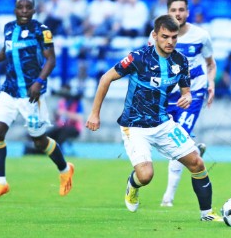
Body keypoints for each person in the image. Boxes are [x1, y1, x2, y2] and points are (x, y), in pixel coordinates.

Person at [85, 15, 215, 220]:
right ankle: (133, 184)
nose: (170, 41)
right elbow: (106, 78)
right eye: (165, 37)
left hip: (163, 123)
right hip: (135, 126)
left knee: (197, 163)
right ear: (154, 35)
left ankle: (207, 214)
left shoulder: (180, 61)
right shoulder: (137, 58)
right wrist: (94, 113)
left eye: (174, 37)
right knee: (146, 176)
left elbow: (186, 91)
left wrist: (187, 97)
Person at [0, 0, 75, 202]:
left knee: (39, 141)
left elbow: (51, 60)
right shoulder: (8, 28)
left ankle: (65, 169)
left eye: (28, 7)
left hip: (31, 94)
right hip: (9, 90)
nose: (24, 11)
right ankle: (0, 183)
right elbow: (6, 50)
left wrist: (39, 82)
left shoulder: (41, 31)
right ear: (15, 10)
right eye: (20, 7)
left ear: (34, 10)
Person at [151, 0, 216, 207]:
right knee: (167, 141)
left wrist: (211, 83)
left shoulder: (201, 36)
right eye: (173, 10)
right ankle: (195, 151)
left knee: (178, 139)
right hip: (167, 95)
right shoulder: (157, 35)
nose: (177, 14)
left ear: (188, 12)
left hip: (193, 93)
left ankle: (168, 197)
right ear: (167, 12)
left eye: (181, 10)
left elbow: (211, 63)